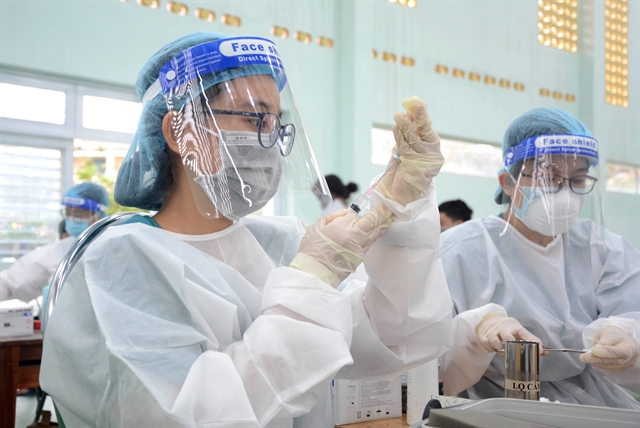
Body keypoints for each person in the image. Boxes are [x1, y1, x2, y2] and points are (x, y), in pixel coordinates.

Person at [40, 33, 452, 427]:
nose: (268, 138)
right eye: (253, 117)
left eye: (274, 122)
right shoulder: (120, 262)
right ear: (178, 133)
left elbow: (391, 344)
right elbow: (183, 416)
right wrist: (311, 281)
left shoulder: (282, 242)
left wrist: (401, 212)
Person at [438, 108, 640, 409]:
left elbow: (632, 310)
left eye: (578, 180)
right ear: (508, 183)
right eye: (550, 177)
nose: (566, 193)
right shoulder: (460, 250)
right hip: (485, 400)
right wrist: (472, 335)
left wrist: (626, 335)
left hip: (590, 399)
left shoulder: (602, 248)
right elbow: (428, 359)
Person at [0, 182, 109, 302]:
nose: (71, 219)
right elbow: (12, 282)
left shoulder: (115, 246)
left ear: (99, 215)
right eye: (67, 214)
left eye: (77, 214)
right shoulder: (63, 249)